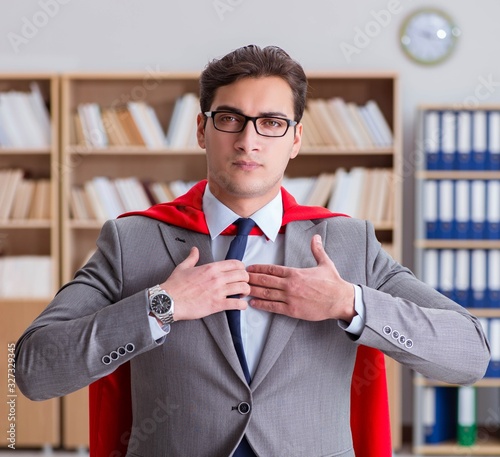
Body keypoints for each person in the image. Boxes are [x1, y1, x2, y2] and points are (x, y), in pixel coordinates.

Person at [16, 45, 489, 457]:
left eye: (271, 122)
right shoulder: (132, 241)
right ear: (202, 130)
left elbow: (469, 354)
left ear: (296, 139)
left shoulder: (350, 243)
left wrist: (351, 303)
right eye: (229, 119)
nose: (248, 140)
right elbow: (34, 370)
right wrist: (161, 307)